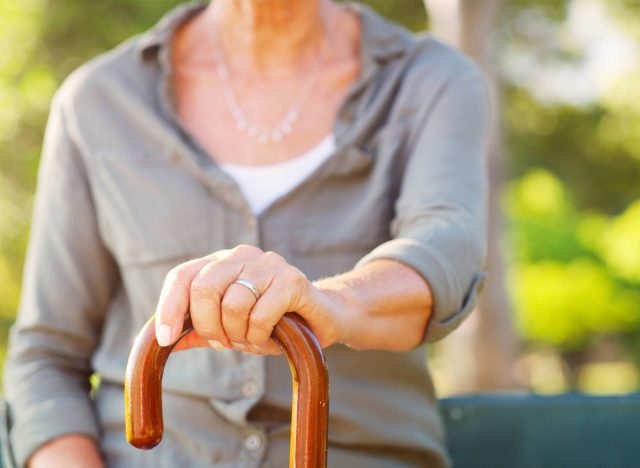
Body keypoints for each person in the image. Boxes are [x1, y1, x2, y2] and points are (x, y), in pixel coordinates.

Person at [4, 0, 490, 466]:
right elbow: (47, 357)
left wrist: (333, 305)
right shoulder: (99, 101)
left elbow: (444, 250)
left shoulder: (433, 81)